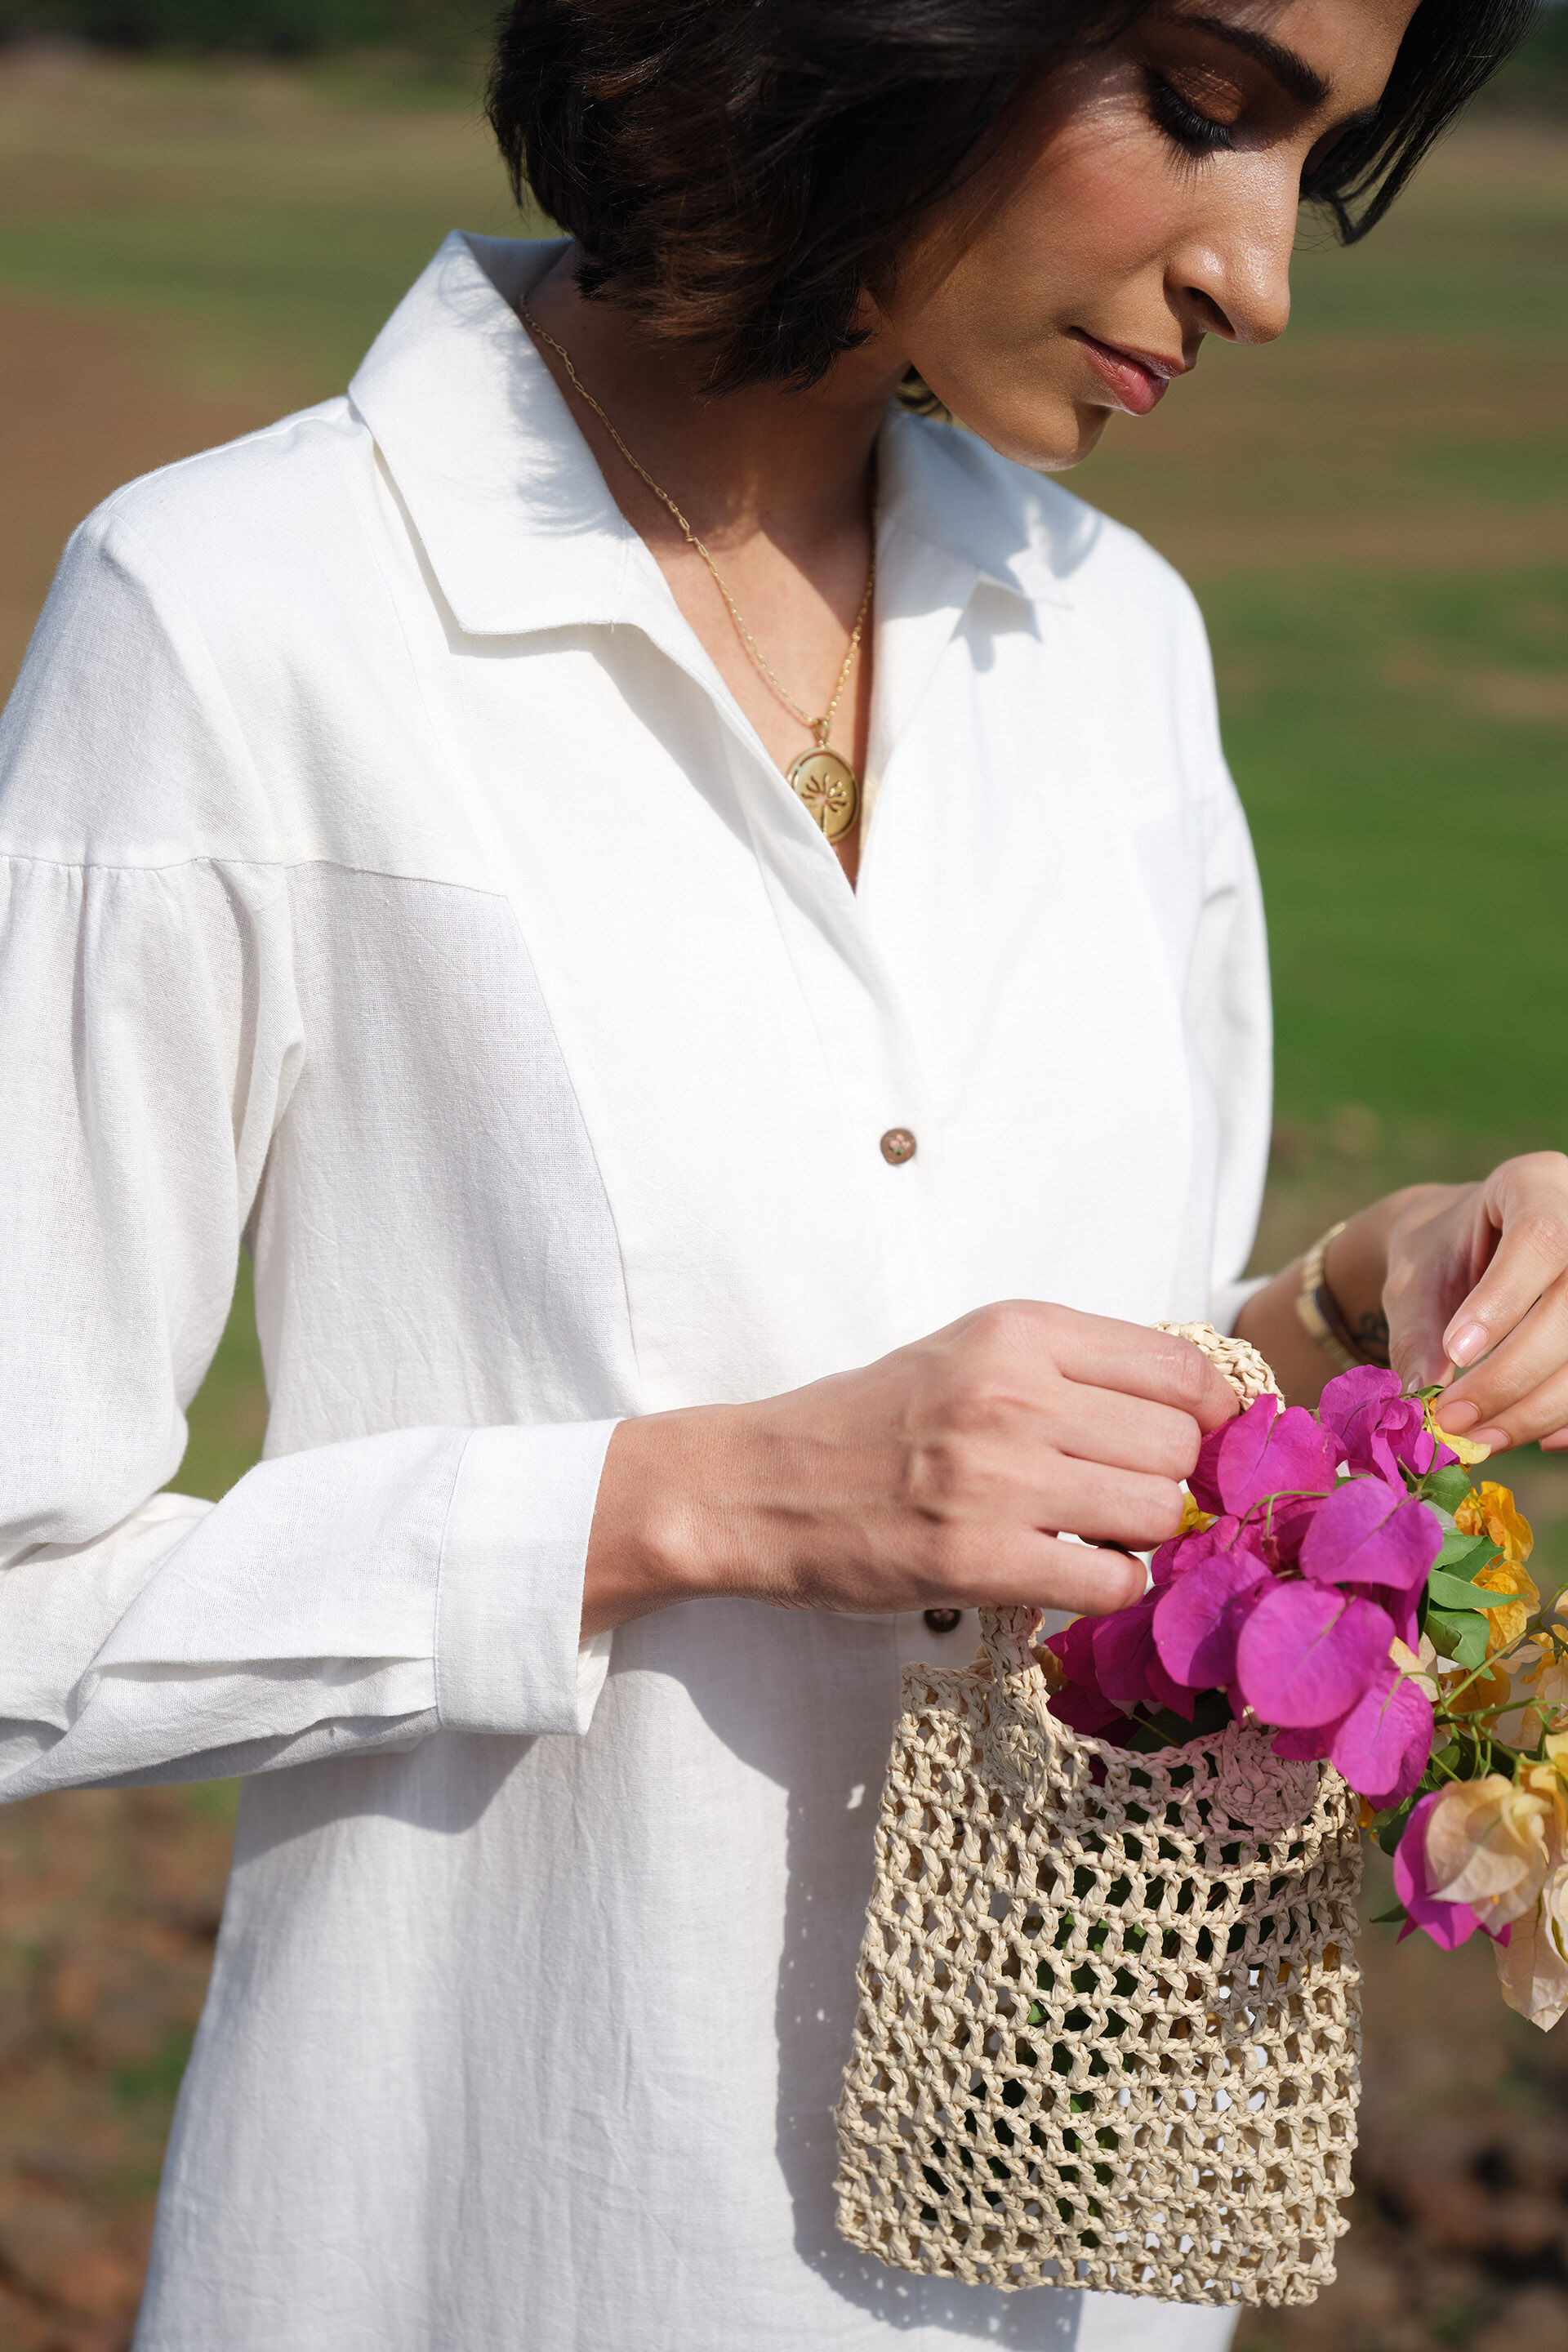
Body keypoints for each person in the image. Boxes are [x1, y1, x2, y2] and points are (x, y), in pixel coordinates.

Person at [0, 2, 1560, 2346]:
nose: (1264, 277)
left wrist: (1352, 1299)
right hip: (510, 2241)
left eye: (1312, 160)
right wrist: (695, 1506)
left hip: (1082, 2259)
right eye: (1209, 112)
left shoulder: (1114, 642)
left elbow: (1087, 1385)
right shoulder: (235, 617)